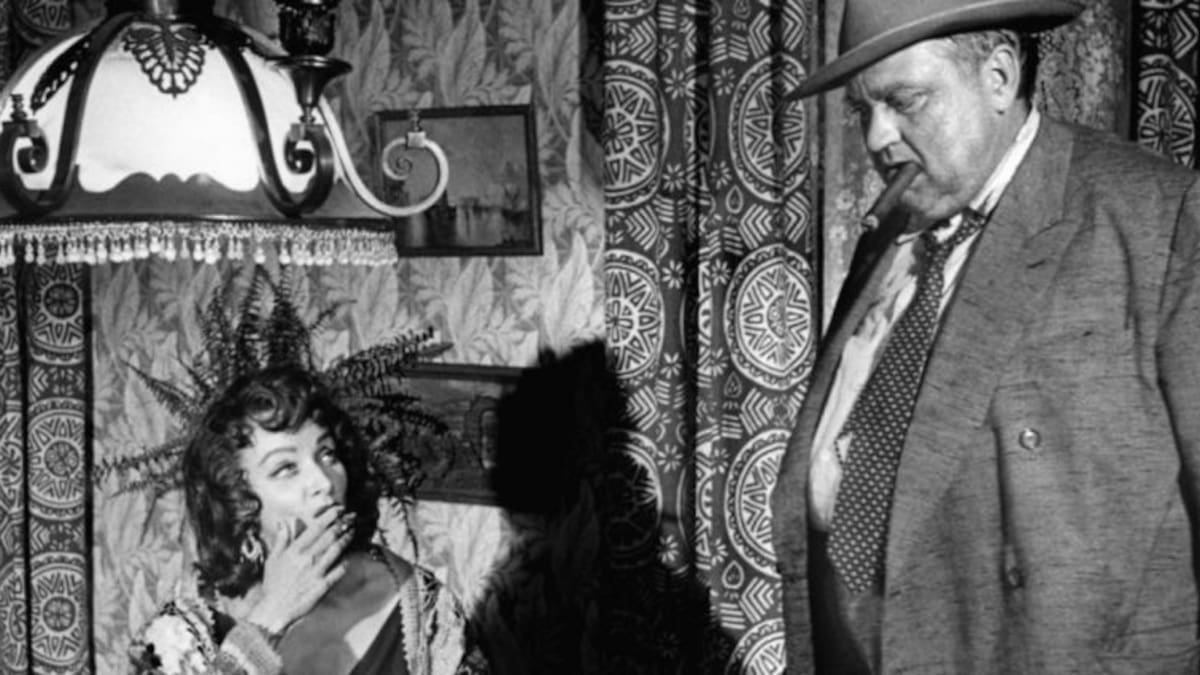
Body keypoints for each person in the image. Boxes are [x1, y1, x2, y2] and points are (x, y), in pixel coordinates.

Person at [770, 0, 1200, 672]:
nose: (878, 137)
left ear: (999, 77)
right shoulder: (890, 239)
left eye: (905, 101)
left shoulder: (1161, 220)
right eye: (862, 110)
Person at [129, 365, 490, 675]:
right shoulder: (178, 638)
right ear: (238, 504)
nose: (323, 481)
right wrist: (269, 621)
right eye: (286, 468)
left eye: (328, 454)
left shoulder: (423, 608)